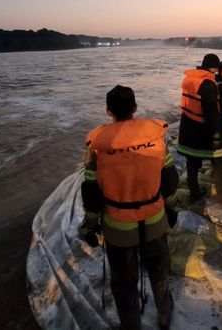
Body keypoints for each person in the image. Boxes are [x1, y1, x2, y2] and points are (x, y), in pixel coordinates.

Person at [80, 85, 180, 329]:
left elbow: (91, 195)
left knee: (124, 283)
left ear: (107, 111)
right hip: (155, 221)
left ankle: (131, 324)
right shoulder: (156, 139)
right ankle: (164, 314)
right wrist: (171, 210)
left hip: (118, 228)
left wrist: (90, 227)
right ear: (135, 108)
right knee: (159, 273)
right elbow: (170, 182)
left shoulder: (97, 147)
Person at [178, 53, 222, 202]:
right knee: (219, 157)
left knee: (192, 161)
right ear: (214, 68)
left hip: (187, 122)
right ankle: (219, 187)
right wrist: (217, 132)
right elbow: (211, 111)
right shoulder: (208, 83)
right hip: (201, 127)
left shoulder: (189, 78)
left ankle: (194, 190)